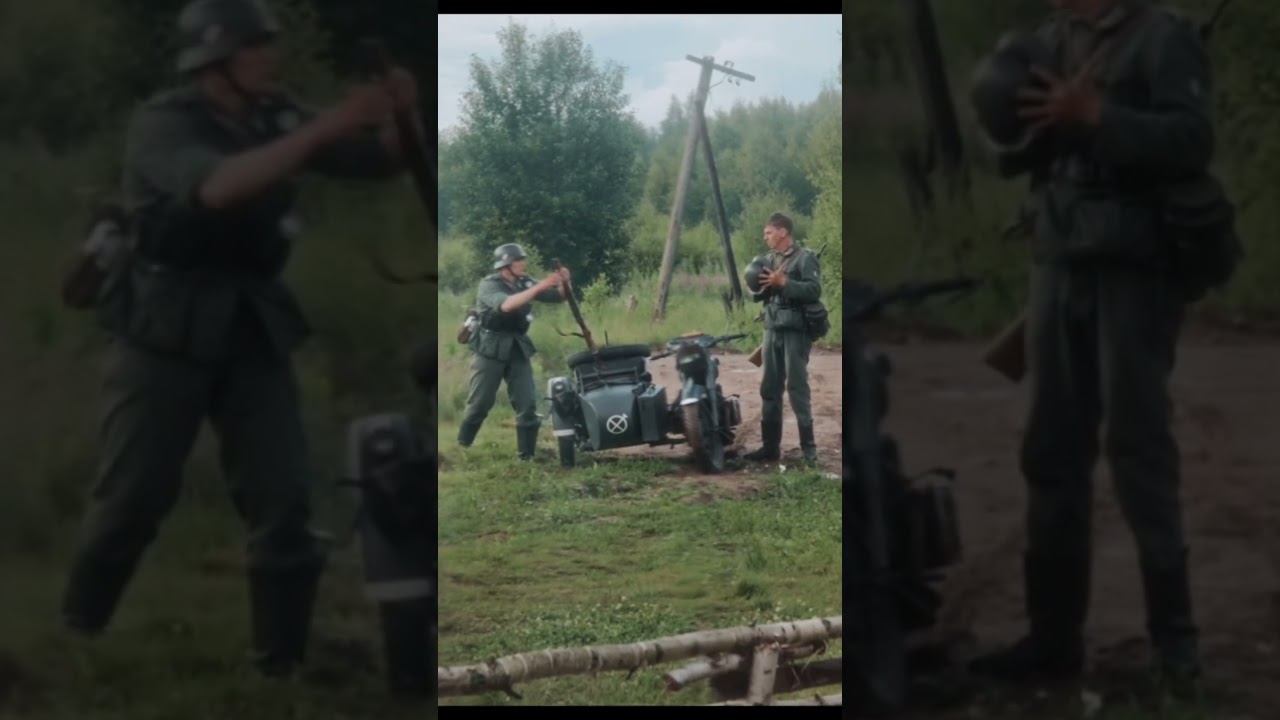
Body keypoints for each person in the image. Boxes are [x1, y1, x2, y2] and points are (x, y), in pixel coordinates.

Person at [59, 0, 425, 679]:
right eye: (256, 48)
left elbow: (379, 161)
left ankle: (280, 661)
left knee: (283, 495)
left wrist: (404, 111)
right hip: (162, 323)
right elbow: (220, 188)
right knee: (134, 495)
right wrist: (332, 123)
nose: (270, 58)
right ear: (216, 62)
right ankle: (80, 628)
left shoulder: (273, 113)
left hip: (251, 320)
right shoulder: (165, 123)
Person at [966, 0, 1213, 687]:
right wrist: (1013, 120)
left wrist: (1100, 116)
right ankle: (1052, 642)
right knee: (1050, 452)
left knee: (1139, 452)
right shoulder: (1049, 40)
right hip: (1058, 266)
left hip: (1134, 271)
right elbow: (1009, 158)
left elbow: (1194, 141)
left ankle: (1176, 648)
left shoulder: (1163, 40)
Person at [456, 244, 570, 459]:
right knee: (480, 404)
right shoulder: (489, 285)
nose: (523, 264)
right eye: (518, 260)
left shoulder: (525, 282)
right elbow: (507, 305)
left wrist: (565, 281)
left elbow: (560, 297)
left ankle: (526, 456)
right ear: (506, 265)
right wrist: (540, 286)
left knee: (527, 404)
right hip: (489, 347)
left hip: (517, 346)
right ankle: (462, 446)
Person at [743, 213, 822, 464]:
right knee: (769, 387)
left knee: (797, 387)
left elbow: (814, 290)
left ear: (783, 232)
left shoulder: (805, 258)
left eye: (768, 232)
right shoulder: (768, 259)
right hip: (772, 328)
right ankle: (769, 447)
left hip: (795, 331)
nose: (764, 237)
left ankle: (809, 450)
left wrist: (784, 282)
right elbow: (756, 293)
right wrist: (759, 285)